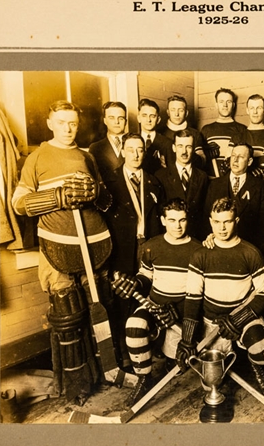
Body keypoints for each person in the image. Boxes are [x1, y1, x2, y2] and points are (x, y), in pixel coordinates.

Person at [12, 100, 112, 404]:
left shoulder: (87, 156)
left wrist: (95, 193)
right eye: (62, 122)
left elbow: (107, 199)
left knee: (99, 305)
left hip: (93, 244)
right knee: (67, 314)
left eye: (73, 123)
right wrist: (56, 197)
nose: (68, 129)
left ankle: (104, 373)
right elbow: (18, 203)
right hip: (56, 245)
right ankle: (75, 386)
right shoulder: (37, 157)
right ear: (50, 123)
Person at [177, 197, 264, 394]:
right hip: (212, 323)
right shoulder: (201, 254)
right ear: (211, 221)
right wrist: (187, 339)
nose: (222, 228)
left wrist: (238, 320)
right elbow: (193, 298)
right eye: (217, 222)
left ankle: (255, 364)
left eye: (227, 222)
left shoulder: (251, 253)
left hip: (242, 317)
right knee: (211, 384)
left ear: (236, 221)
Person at [113, 198, 202, 405]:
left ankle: (170, 356)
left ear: (188, 220)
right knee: (134, 326)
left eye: (182, 220)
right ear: (163, 220)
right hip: (154, 304)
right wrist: (135, 283)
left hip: (179, 310)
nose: (177, 226)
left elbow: (198, 292)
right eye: (172, 220)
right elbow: (146, 275)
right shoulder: (151, 246)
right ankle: (145, 379)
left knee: (180, 364)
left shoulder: (198, 250)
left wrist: (179, 313)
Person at [102, 133, 165, 367]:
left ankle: (152, 344)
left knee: (149, 293)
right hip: (122, 248)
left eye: (140, 150)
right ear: (123, 151)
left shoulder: (153, 181)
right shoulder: (110, 182)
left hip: (148, 246)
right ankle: (125, 352)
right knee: (123, 297)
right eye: (131, 149)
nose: (136, 154)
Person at [204, 143, 264, 250]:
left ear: (249, 162)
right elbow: (206, 217)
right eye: (233, 156)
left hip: (248, 247)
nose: (235, 160)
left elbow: (263, 225)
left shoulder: (261, 187)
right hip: (218, 246)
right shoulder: (215, 185)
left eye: (241, 157)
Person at [155, 129, 209, 240]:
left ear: (193, 148)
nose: (184, 152)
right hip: (171, 237)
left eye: (188, 147)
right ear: (174, 148)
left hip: (196, 237)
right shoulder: (161, 176)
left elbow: (205, 211)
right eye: (180, 146)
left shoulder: (202, 176)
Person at [200, 88, 249, 177]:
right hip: (211, 179)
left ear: (233, 105)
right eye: (221, 101)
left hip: (233, 179)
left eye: (229, 102)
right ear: (216, 105)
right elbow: (200, 160)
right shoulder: (206, 129)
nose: (225, 105)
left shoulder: (242, 129)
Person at [230, 94, 264, 179]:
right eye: (252, 108)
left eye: (259, 108)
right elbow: (228, 162)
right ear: (247, 110)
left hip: (262, 185)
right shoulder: (237, 136)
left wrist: (242, 160)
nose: (255, 112)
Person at [161, 94, 207, 170]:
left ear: (186, 113)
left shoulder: (195, 133)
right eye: (173, 110)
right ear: (168, 112)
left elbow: (202, 161)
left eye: (181, 110)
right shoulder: (160, 133)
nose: (176, 114)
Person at [89, 101, 128, 174]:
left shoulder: (136, 143)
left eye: (121, 118)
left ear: (126, 121)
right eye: (111, 118)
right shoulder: (95, 148)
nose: (116, 122)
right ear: (105, 120)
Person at [136, 98, 170, 175]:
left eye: (152, 116)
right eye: (144, 116)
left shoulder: (167, 143)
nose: (148, 120)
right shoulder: (132, 141)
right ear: (139, 118)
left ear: (158, 119)